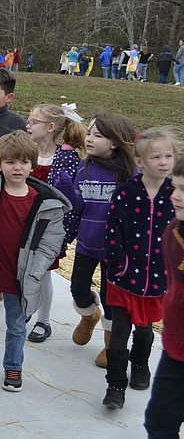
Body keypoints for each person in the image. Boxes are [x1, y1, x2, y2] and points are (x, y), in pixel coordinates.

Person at [0, 131, 69, 394]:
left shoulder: (45, 203)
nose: (17, 168)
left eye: (23, 162)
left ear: (33, 165)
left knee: (17, 325)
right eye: (10, 162)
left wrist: (36, 271)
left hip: (21, 277)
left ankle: (13, 365)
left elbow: (51, 243)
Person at [101, 128, 178, 409]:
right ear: (140, 162)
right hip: (123, 280)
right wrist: (118, 265)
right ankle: (115, 386)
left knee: (145, 331)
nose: (163, 161)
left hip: (157, 280)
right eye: (155, 156)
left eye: (168, 155)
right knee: (119, 336)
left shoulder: (176, 194)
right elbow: (113, 232)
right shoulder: (125, 193)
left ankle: (141, 365)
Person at [54, 113, 137, 368]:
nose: (88, 139)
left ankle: (111, 343)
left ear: (114, 142)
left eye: (97, 135)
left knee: (110, 295)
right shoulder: (84, 167)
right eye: (89, 133)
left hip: (117, 250)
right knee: (78, 289)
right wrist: (68, 193)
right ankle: (89, 317)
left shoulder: (132, 173)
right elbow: (79, 207)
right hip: (87, 243)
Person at [24, 103, 86, 343]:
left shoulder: (66, 159)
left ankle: (44, 320)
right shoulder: (26, 152)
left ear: (50, 127)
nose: (28, 125)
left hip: (51, 227)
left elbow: (70, 201)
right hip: (24, 222)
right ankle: (26, 309)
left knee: (43, 273)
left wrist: (64, 233)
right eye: (28, 120)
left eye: (34, 121)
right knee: (24, 270)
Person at [144, 155, 184, 437]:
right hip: (176, 347)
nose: (176, 196)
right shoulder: (172, 232)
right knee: (159, 422)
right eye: (176, 187)